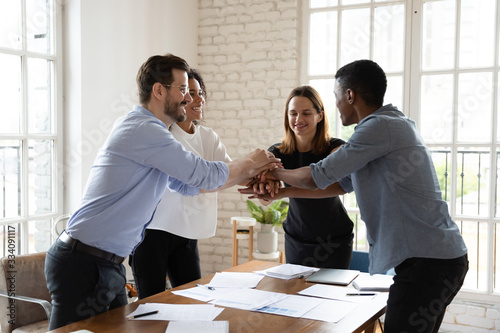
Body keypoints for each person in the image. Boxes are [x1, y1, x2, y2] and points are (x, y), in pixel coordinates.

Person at [44, 54, 280, 330]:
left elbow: (193, 184)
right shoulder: (143, 129)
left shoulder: (156, 132)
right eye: (182, 89)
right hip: (82, 264)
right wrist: (252, 162)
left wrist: (251, 174)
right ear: (159, 90)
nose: (188, 98)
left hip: (107, 265)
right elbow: (201, 173)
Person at [246, 60, 468, 333]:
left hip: (428, 265)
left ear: (349, 95)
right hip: (437, 261)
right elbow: (340, 184)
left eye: (336, 95)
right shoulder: (389, 125)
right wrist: (282, 190)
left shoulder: (377, 127)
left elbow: (317, 175)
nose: (336, 103)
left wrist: (271, 173)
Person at [129, 69, 232, 298]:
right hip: (153, 233)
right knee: (151, 304)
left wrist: (259, 175)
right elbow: (188, 180)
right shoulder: (163, 135)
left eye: (200, 93)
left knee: (192, 299)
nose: (197, 99)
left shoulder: (209, 136)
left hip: (186, 232)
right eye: (190, 92)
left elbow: (230, 172)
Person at [258, 85, 354, 268]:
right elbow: (265, 200)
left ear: (320, 115)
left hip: (334, 240)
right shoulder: (277, 153)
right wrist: (265, 190)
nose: (298, 119)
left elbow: (326, 185)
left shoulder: (336, 148)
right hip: (297, 238)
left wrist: (281, 190)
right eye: (293, 113)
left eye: (306, 113)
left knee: (330, 295)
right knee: (295, 293)